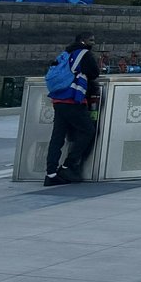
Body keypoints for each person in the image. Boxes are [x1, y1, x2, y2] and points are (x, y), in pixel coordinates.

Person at [45, 33, 100, 186]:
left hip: (58, 100)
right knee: (88, 130)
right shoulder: (84, 54)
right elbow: (94, 73)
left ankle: (51, 174)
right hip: (73, 99)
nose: (93, 43)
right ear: (82, 41)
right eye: (91, 40)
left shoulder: (65, 53)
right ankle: (68, 166)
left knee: (57, 137)